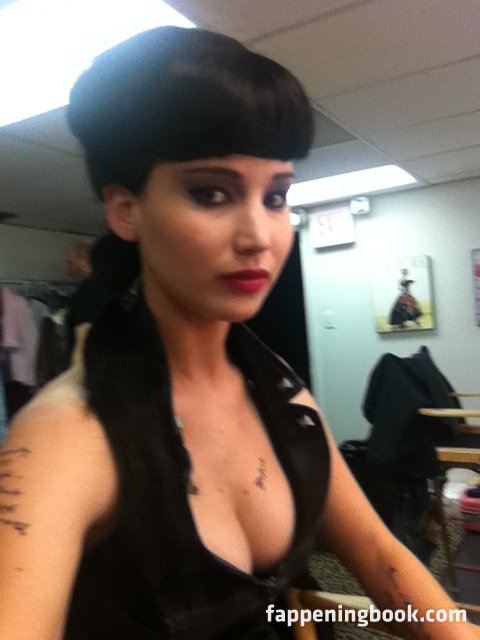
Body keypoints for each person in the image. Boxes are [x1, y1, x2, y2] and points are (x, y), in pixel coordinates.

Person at [0, 26, 476, 640]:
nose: (259, 237)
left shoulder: (278, 390)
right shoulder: (68, 436)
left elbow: (380, 555)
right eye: (210, 193)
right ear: (126, 209)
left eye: (276, 197)